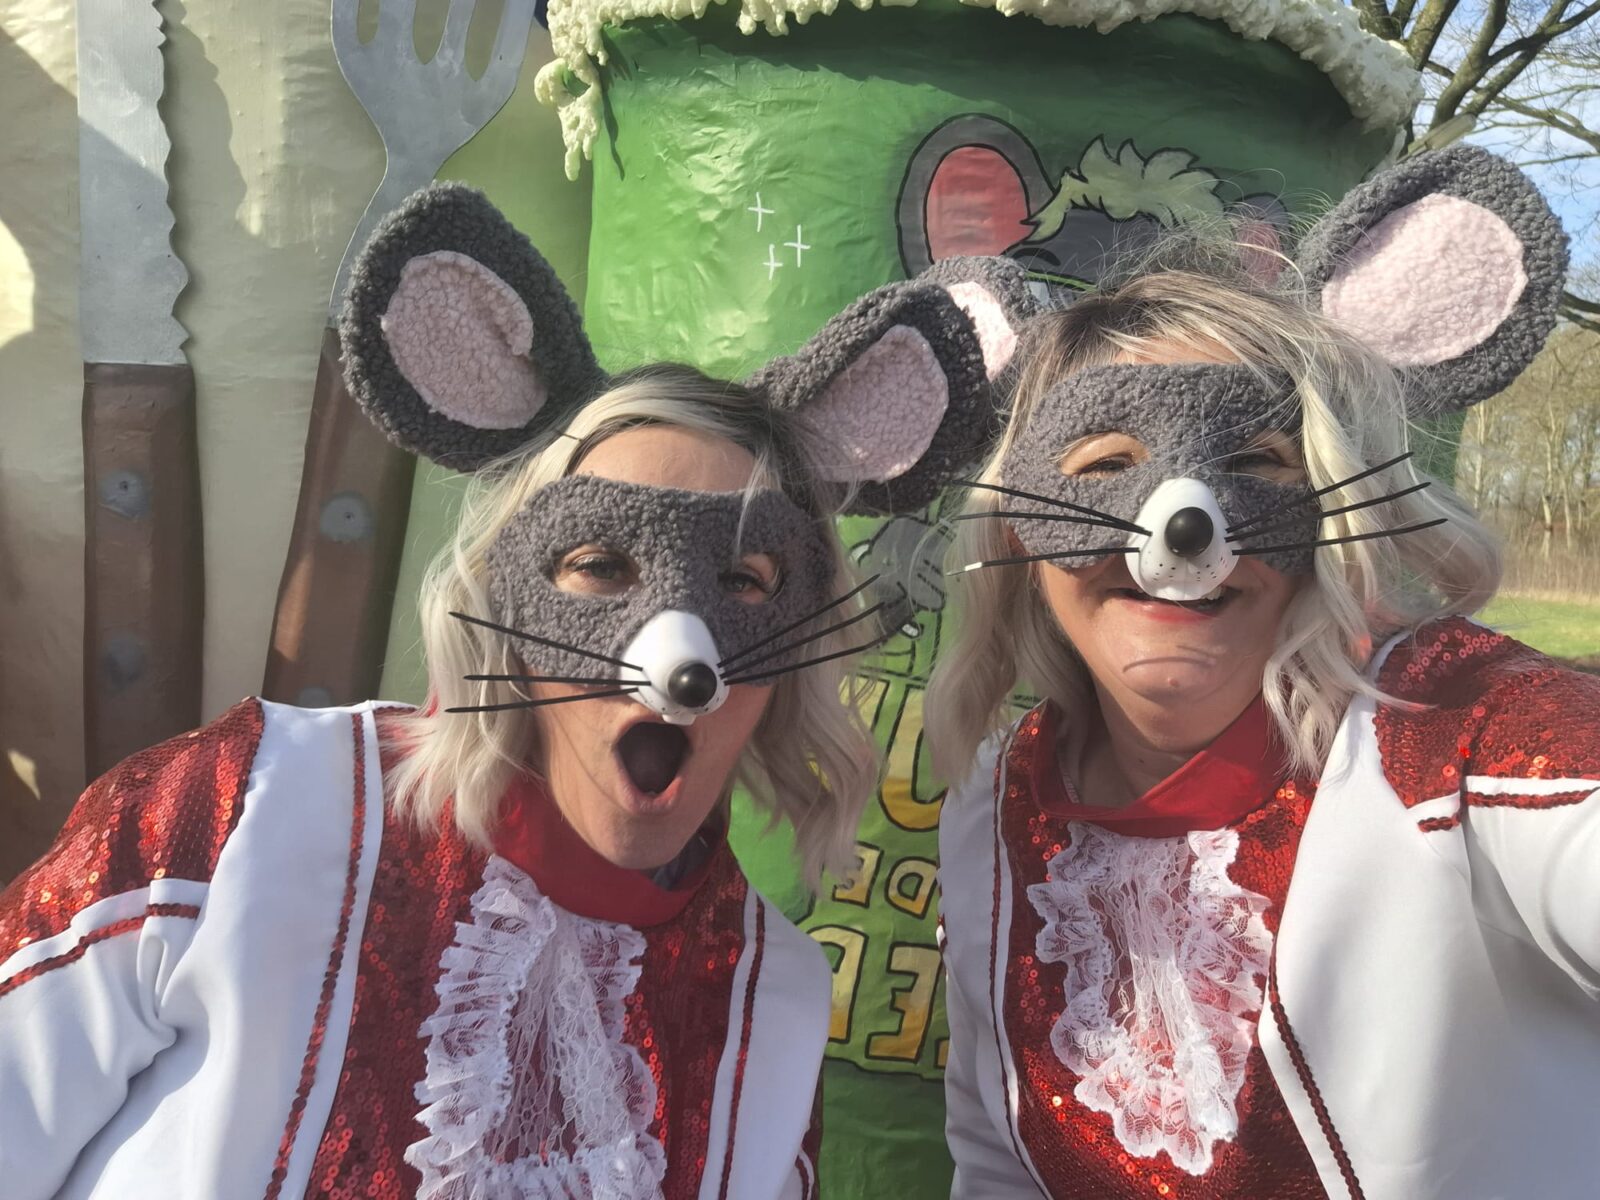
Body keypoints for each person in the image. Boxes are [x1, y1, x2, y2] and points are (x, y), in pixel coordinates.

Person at [0, 184, 1021, 1199]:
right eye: (600, 567)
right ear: (500, 596)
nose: (682, 658)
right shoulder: (246, 813)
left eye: (745, 584)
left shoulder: (771, 999)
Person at [927, 146, 1600, 1200]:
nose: (1183, 518)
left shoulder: (1462, 734)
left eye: (1252, 464)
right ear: (1018, 530)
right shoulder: (991, 807)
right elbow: (995, 1156)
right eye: (1104, 467)